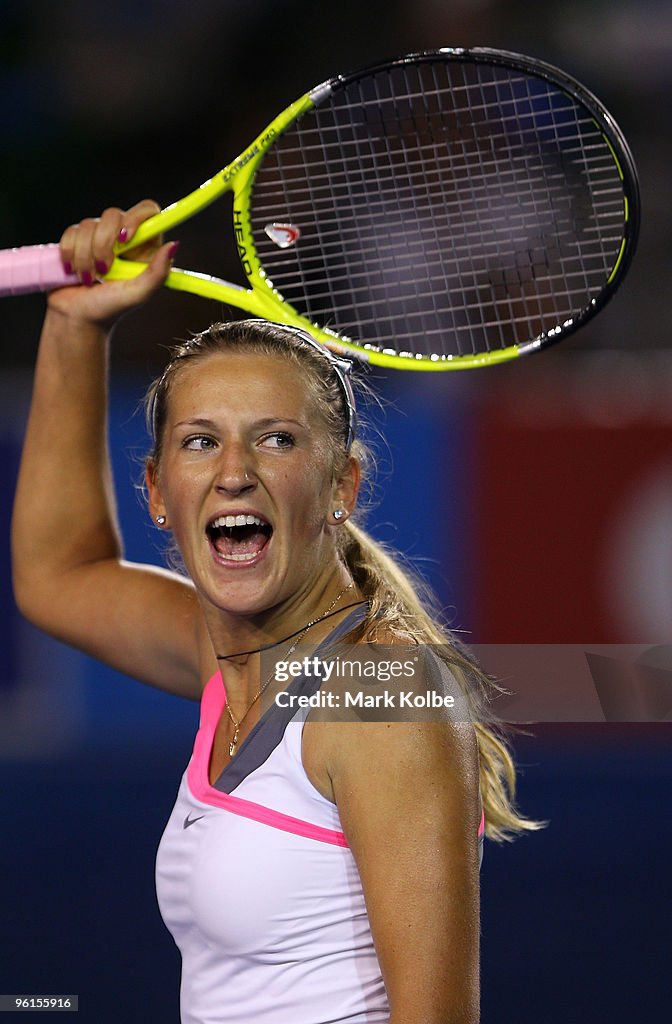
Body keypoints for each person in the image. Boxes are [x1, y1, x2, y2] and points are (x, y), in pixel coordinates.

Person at [11, 201, 539, 1024]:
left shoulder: (383, 694)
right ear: (154, 491)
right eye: (199, 441)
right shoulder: (234, 659)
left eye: (276, 440)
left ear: (343, 489)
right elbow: (56, 575)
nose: (233, 473)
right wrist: (75, 325)